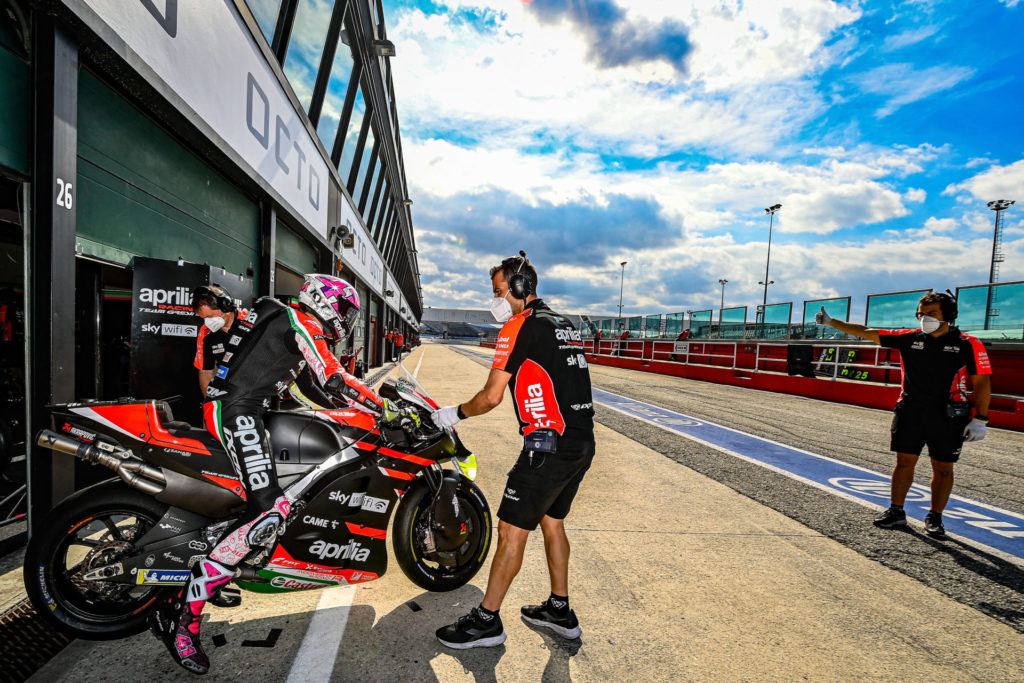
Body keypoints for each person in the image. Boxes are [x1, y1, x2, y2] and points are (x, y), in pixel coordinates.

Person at [150, 274, 412, 675]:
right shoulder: (300, 323)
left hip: (243, 407)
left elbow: (306, 389)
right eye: (345, 312)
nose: (346, 321)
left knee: (268, 495)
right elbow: (333, 377)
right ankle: (181, 616)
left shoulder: (281, 316)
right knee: (268, 514)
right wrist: (384, 407)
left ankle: (219, 556)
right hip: (237, 411)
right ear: (326, 304)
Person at [431, 252, 596, 649]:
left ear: (520, 289)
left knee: (509, 531)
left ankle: (486, 620)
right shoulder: (564, 323)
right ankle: (560, 609)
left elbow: (490, 397)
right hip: (581, 443)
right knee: (553, 523)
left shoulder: (519, 327)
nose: (497, 299)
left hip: (548, 446)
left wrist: (452, 414)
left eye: (499, 291)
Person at [815, 291, 991, 537]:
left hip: (948, 415)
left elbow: (982, 383)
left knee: (942, 467)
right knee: (904, 462)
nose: (924, 318)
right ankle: (896, 511)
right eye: (921, 313)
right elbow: (867, 331)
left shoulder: (968, 344)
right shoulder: (908, 338)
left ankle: (935, 517)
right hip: (910, 410)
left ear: (948, 316)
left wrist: (980, 418)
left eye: (932, 313)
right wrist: (832, 322)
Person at [192, 284, 243, 397]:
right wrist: (208, 403)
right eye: (204, 318)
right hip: (231, 391)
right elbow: (206, 372)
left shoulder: (250, 321)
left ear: (226, 307)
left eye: (210, 317)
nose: (208, 322)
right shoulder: (205, 332)